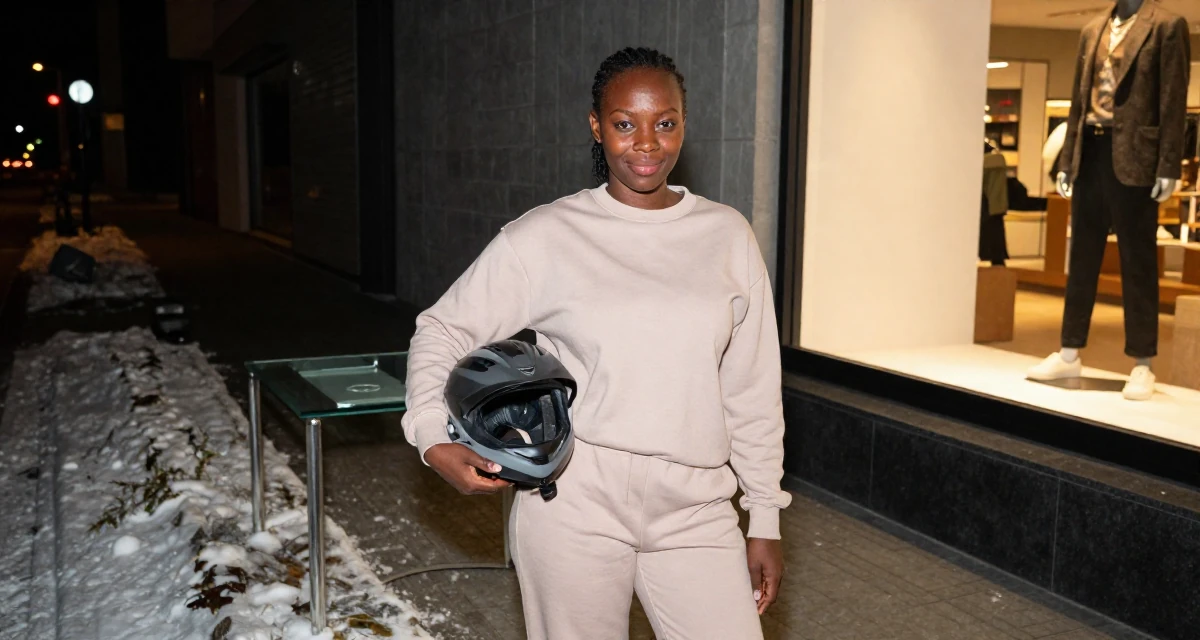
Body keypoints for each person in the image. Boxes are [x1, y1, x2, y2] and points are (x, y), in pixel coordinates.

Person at [401, 47, 790, 639]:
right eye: (625, 123)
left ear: (685, 124)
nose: (647, 143)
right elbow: (443, 328)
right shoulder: (548, 234)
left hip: (696, 506)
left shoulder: (726, 235)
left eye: (665, 122)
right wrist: (432, 435)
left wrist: (764, 516)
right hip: (574, 498)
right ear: (596, 126)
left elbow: (751, 389)